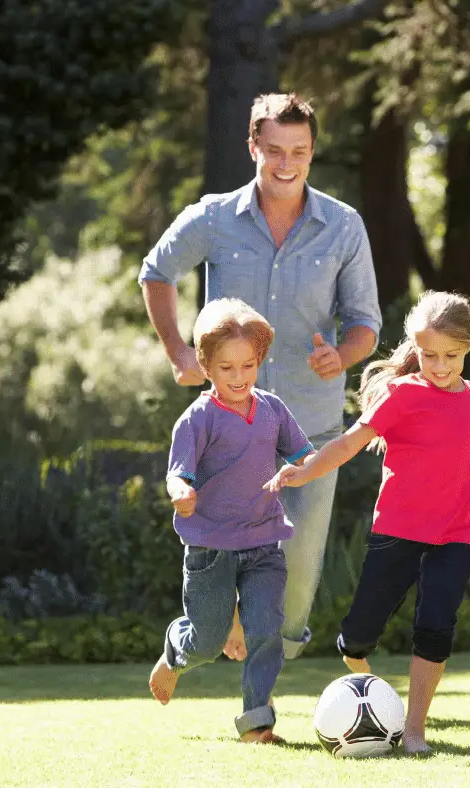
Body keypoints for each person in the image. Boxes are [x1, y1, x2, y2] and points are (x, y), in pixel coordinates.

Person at [139, 93, 381, 662]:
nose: (285, 162)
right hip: (228, 430)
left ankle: (279, 646)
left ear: (313, 151)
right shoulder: (214, 218)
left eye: (298, 150)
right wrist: (179, 352)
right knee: (221, 568)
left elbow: (366, 322)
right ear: (253, 147)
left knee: (296, 578)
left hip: (310, 430)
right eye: (273, 149)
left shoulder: (343, 226)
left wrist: (342, 357)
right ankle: (235, 656)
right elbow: (156, 272)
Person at [264, 291, 470, 754]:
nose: (440, 366)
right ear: (415, 348)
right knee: (358, 636)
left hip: (456, 534)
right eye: (429, 354)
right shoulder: (401, 395)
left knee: (436, 624)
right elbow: (350, 442)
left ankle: (415, 728)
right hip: (397, 529)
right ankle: (376, 696)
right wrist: (306, 470)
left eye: (452, 356)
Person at [147, 298, 315, 743]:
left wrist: (302, 469)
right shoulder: (197, 419)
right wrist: (180, 493)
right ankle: (176, 652)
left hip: (264, 543)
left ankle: (257, 722)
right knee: (207, 641)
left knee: (265, 631)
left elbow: (304, 455)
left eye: (247, 366)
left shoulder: (273, 410)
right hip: (210, 549)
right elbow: (176, 473)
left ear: (258, 361)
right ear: (206, 365)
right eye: (227, 368)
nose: (239, 377)